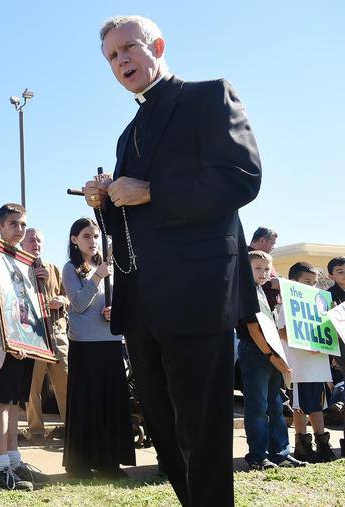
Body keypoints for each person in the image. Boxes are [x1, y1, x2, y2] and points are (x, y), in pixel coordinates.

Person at [84, 15, 261, 506]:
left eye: (128, 49)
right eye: (112, 58)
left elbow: (241, 178)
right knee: (163, 430)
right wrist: (106, 205)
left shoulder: (208, 96)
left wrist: (152, 192)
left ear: (157, 45)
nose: (121, 62)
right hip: (140, 301)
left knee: (201, 432)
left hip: (197, 294)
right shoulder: (127, 135)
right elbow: (134, 222)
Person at [62, 218, 135, 478]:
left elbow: (120, 299)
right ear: (74, 240)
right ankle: (80, 463)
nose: (92, 241)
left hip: (111, 340)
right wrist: (97, 277)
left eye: (95, 236)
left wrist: (115, 311)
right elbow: (78, 304)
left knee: (111, 400)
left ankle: (110, 461)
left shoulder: (109, 267)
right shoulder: (71, 268)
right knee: (88, 402)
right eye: (86, 236)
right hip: (85, 344)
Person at [0, 203, 48, 492]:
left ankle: (13, 460)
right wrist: (10, 338)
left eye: (22, 224)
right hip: (4, 339)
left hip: (25, 339)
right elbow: (0, 301)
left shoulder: (25, 261)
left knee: (14, 402)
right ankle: (0, 467)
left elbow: (29, 303)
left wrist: (40, 281)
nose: (19, 229)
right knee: (1, 401)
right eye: (13, 224)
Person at [236, 251, 302, 470]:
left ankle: (280, 452)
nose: (263, 273)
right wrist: (272, 357)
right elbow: (253, 329)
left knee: (276, 405)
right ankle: (257, 455)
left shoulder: (262, 292)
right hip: (257, 353)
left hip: (272, 352)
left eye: (266, 269)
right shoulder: (244, 292)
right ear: (246, 268)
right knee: (257, 407)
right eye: (257, 268)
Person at [276, 262, 336, 463]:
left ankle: (322, 442)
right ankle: (302, 445)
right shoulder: (288, 306)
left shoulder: (319, 307)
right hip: (299, 366)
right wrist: (304, 346)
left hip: (317, 366)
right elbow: (281, 331)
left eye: (314, 283)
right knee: (300, 407)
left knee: (318, 405)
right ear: (294, 282)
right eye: (307, 282)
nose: (311, 286)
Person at [20, 228, 69, 442]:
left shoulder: (54, 269)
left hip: (57, 333)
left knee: (66, 380)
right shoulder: (17, 269)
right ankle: (36, 432)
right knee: (32, 387)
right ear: (22, 244)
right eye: (31, 240)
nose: (35, 243)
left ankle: (72, 428)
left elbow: (68, 297)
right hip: (33, 334)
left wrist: (61, 300)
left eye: (39, 240)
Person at [326, 256, 345, 455]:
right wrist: (331, 355)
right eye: (340, 271)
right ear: (331, 275)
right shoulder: (327, 297)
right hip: (339, 354)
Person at [249, 227, 280, 311]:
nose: (273, 247)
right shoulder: (244, 256)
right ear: (262, 240)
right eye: (272, 243)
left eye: (267, 269)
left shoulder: (267, 258)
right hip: (254, 311)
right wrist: (271, 283)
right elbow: (243, 279)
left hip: (269, 310)